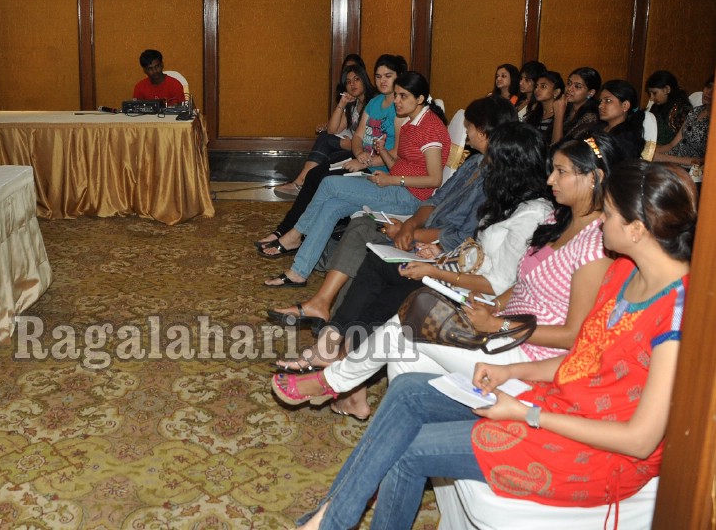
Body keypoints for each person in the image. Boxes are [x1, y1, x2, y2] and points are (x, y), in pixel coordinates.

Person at [284, 160, 694, 530]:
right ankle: (330, 519)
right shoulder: (627, 275)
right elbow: (582, 359)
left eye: (610, 214)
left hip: (592, 452)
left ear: (638, 229)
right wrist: (510, 372)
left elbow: (639, 440)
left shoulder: (677, 316)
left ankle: (328, 522)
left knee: (408, 450)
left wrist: (527, 412)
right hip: (558, 402)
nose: (600, 221)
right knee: (409, 392)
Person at [274, 132, 619, 420]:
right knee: (406, 357)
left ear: (594, 177)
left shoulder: (590, 243)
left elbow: (574, 334)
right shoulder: (554, 222)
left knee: (411, 312)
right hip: (495, 312)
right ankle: (379, 411)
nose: (550, 179)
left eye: (561, 172)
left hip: (524, 347)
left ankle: (333, 379)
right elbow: (516, 282)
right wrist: (449, 266)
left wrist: (490, 317)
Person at [264, 95, 516, 329]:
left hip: (441, 248)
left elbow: (461, 234)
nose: (467, 135)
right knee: (358, 223)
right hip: (420, 221)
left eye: (470, 127)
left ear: (484, 131)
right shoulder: (473, 162)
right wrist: (409, 226)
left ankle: (333, 316)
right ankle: (322, 304)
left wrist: (414, 233)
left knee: (341, 201)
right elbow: (437, 199)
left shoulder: (497, 180)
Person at [260, 71, 449, 287]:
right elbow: (401, 164)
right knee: (331, 205)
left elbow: (435, 180)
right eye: (396, 95)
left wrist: (393, 180)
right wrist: (384, 153)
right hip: (396, 186)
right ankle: (299, 271)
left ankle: (296, 233)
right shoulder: (410, 123)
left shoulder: (430, 128)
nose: (396, 101)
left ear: (420, 98)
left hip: (411, 197)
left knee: (329, 183)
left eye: (403, 96)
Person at [256, 56, 404, 252]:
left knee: (323, 178)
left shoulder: (400, 107)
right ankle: (285, 230)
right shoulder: (375, 102)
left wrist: (364, 161)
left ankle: (295, 233)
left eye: (388, 76)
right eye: (378, 76)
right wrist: (359, 153)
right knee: (315, 174)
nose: (382, 81)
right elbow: (358, 136)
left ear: (398, 77)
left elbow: (398, 152)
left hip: (378, 169)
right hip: (362, 159)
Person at [272, 55, 374, 198]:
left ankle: (301, 182)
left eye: (357, 79)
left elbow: (371, 137)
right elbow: (333, 129)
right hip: (352, 147)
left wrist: (352, 145)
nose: (352, 84)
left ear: (364, 79)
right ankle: (303, 183)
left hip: (365, 152)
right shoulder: (354, 103)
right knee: (326, 138)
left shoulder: (373, 103)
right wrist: (342, 104)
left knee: (325, 139)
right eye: (348, 81)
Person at [655, 73, 713, 169]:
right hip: (672, 158)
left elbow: (706, 160)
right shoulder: (695, 111)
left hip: (690, 169)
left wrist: (665, 158)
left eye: (714, 90)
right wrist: (653, 152)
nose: (709, 92)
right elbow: (672, 144)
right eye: (708, 86)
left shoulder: (713, 121)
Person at [597, 79, 645, 161]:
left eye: (608, 101)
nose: (600, 106)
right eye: (600, 101)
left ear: (625, 106)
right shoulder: (598, 128)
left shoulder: (626, 139)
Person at [551, 66, 600, 144]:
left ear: (591, 92)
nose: (569, 89)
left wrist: (559, 115)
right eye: (569, 83)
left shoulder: (591, 118)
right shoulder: (566, 107)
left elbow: (558, 148)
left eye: (577, 86)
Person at [646, 69, 693, 145]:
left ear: (667, 89)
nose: (651, 98)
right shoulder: (656, 107)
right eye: (650, 94)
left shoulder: (683, 109)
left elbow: (683, 142)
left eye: (654, 93)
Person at [522, 70, 563, 141]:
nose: (537, 90)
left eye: (543, 86)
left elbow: (558, 144)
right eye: (536, 86)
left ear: (556, 92)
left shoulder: (560, 115)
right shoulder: (534, 112)